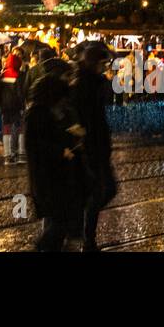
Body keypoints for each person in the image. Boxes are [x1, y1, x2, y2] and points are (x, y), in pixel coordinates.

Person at [25, 58, 85, 251]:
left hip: (58, 175)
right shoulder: (38, 114)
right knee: (59, 220)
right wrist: (61, 150)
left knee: (58, 218)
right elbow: (36, 144)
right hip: (48, 175)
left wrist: (71, 135)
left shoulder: (53, 110)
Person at [71, 42, 116, 251]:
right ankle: (87, 238)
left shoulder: (97, 82)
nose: (105, 67)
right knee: (97, 192)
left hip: (99, 144)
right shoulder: (81, 84)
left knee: (105, 191)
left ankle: (85, 234)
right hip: (90, 146)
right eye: (102, 63)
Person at [0, 47, 27, 164]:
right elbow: (21, 92)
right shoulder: (19, 75)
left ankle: (8, 156)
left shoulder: (2, 74)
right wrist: (22, 105)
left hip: (5, 106)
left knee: (6, 130)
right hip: (16, 106)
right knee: (20, 128)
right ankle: (21, 153)